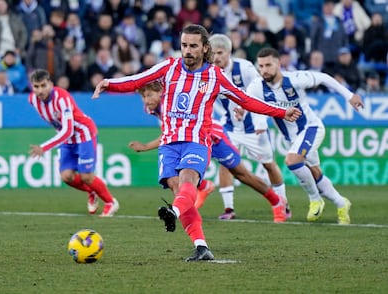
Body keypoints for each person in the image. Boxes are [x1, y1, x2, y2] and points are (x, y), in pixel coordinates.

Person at [92, 24, 301, 262]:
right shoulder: (169, 68)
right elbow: (137, 80)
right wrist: (108, 83)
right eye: (184, 45)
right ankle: (201, 246)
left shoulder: (214, 75)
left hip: (198, 139)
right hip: (170, 143)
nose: (188, 51)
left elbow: (246, 101)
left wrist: (280, 112)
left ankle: (176, 210)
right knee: (179, 189)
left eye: (193, 46)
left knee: (193, 179)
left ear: (204, 48)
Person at [129, 82, 288, 223]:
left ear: (161, 92)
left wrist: (145, 146)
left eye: (149, 95)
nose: (146, 100)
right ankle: (201, 191)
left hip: (212, 136)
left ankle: (276, 202)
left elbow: (169, 135)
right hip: (190, 140)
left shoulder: (171, 104)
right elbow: (170, 134)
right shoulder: (152, 108)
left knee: (242, 175)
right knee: (177, 173)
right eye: (143, 96)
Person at [247, 47, 364, 225]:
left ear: (278, 64)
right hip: (292, 138)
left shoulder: (295, 79)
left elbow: (324, 78)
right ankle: (342, 203)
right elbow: (252, 105)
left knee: (292, 160)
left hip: (311, 128)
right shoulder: (256, 86)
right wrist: (257, 122)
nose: (264, 70)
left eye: (268, 65)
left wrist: (349, 95)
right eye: (261, 66)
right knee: (315, 172)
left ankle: (315, 198)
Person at [208, 33, 290, 220]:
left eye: (220, 52)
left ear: (229, 52)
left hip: (254, 127)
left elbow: (261, 91)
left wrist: (260, 120)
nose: (217, 57)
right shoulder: (210, 72)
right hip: (229, 127)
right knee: (225, 162)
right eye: (213, 53)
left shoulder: (244, 68)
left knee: (269, 165)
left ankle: (283, 202)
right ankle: (229, 209)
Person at [28, 69, 119, 218]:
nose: (40, 90)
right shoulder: (32, 100)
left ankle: (111, 203)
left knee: (86, 176)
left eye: (43, 85)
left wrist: (44, 147)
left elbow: (68, 129)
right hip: (67, 139)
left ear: (50, 84)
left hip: (83, 134)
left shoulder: (62, 98)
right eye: (36, 87)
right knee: (66, 176)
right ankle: (92, 191)